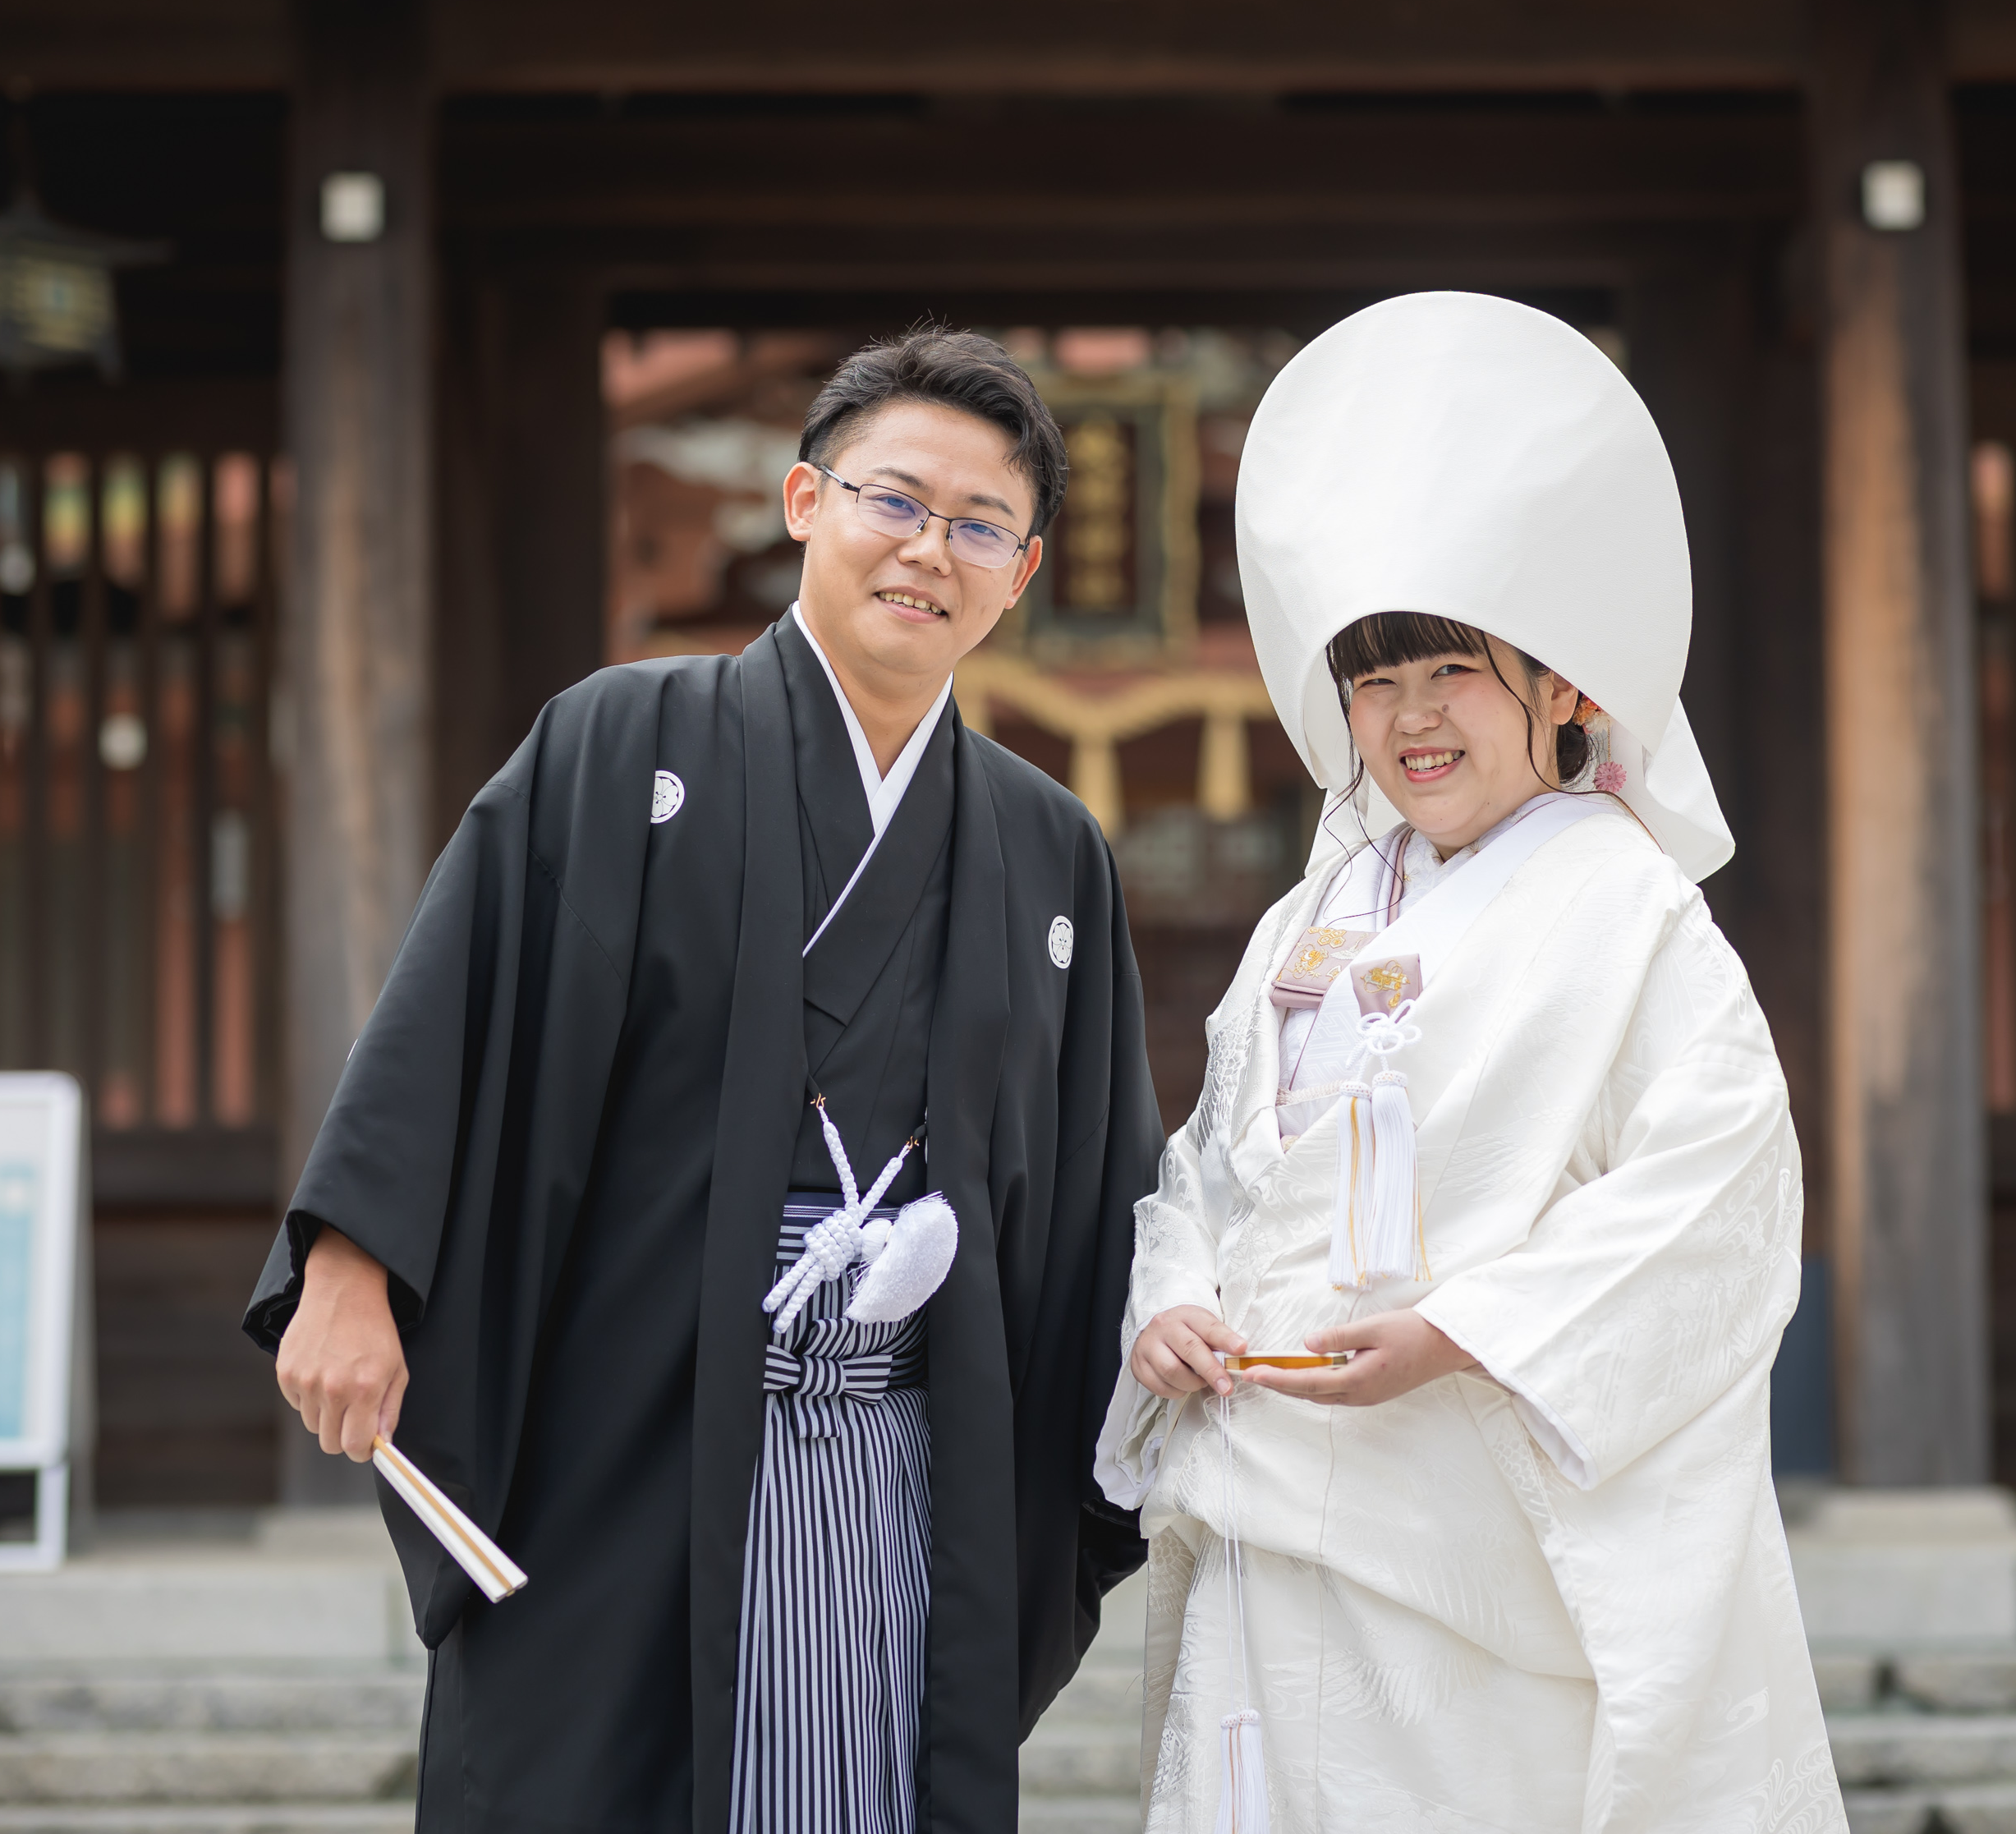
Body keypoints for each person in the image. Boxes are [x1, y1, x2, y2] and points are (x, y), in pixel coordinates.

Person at [246, 329, 1161, 1834]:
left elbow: (1098, 1184)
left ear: (1023, 573)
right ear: (805, 500)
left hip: (903, 1457)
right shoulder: (619, 744)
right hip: (632, 1431)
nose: (931, 549)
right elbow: (452, 1020)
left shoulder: (1047, 845)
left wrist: (1155, 1354)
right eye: (895, 500)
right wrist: (349, 1263)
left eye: (980, 526)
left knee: (864, 1781)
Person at [1093, 292, 1841, 1833]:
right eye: (1375, 682)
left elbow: (1718, 1192)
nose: (1411, 721)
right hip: (1262, 1485)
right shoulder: (1313, 919)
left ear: (1560, 688)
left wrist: (1466, 1333)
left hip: (1467, 1519)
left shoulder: (1631, 910)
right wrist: (1170, 1296)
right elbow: (1211, 1168)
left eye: (1453, 674)